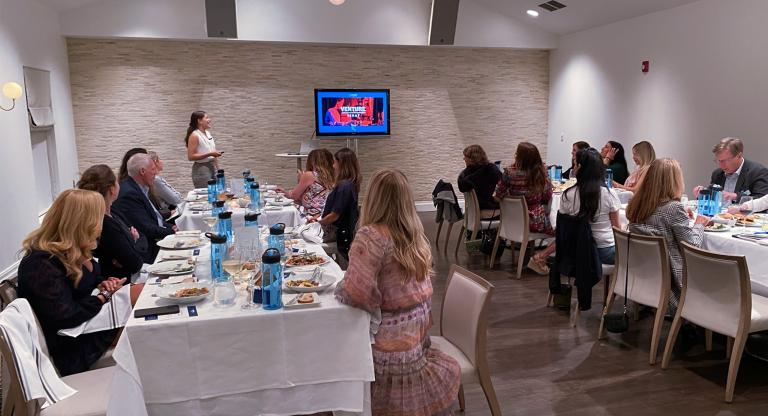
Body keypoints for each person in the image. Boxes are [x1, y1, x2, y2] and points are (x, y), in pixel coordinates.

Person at [334, 169, 460, 415]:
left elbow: (357, 294)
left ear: (373, 199)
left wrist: (340, 286)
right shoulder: (414, 233)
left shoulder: (371, 236)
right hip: (417, 338)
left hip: (390, 348)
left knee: (330, 349)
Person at [17, 189, 133, 376]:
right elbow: (66, 315)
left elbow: (88, 282)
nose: (101, 224)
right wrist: (103, 297)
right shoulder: (41, 264)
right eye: (97, 218)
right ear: (82, 222)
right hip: (71, 347)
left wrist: (103, 284)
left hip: (85, 327)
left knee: (141, 309)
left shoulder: (72, 251)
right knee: (143, 326)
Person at [627, 158, 709, 311]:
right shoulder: (673, 209)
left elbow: (660, 216)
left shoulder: (637, 204)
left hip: (645, 275)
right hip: (674, 282)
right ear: (675, 180)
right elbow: (692, 246)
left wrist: (680, 212)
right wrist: (699, 223)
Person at [494, 142, 554, 273]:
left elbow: (497, 195)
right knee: (563, 230)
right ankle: (542, 257)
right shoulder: (541, 172)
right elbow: (547, 196)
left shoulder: (509, 173)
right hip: (535, 220)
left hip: (512, 220)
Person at [77, 164, 148, 276]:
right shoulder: (105, 223)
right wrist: (135, 242)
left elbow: (140, 236)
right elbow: (135, 263)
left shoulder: (113, 211)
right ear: (112, 189)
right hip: (120, 281)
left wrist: (133, 245)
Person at [558, 148, 621, 264]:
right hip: (604, 250)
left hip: (575, 250)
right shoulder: (609, 194)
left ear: (579, 168)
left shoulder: (567, 195)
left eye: (575, 164)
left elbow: (563, 228)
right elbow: (617, 229)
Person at [112, 153, 176, 262]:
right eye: (153, 169)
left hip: (156, 238)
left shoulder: (139, 188)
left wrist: (173, 228)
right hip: (148, 249)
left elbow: (155, 220)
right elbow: (146, 228)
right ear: (142, 171)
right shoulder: (129, 193)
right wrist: (174, 231)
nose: (156, 173)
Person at [311, 148, 361, 260]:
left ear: (342, 164)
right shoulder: (351, 184)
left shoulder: (344, 187)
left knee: (304, 236)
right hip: (343, 230)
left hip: (337, 233)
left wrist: (319, 222)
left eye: (335, 162)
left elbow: (334, 215)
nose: (333, 166)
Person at [694, 137, 768, 203]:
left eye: (724, 161)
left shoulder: (758, 172)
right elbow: (712, 201)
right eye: (718, 161)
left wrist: (736, 197)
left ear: (739, 156)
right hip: (720, 217)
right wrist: (703, 194)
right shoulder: (717, 174)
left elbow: (763, 201)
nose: (721, 165)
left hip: (745, 217)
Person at [277, 148, 334, 216]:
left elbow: (293, 196)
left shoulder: (310, 175)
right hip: (327, 214)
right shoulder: (334, 175)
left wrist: (283, 191)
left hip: (311, 214)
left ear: (312, 161)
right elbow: (307, 199)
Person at [457, 144, 502, 217]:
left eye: (465, 157)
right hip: (486, 209)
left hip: (473, 210)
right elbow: (503, 183)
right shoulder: (491, 170)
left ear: (472, 159)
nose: (464, 159)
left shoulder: (464, 175)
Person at [185, 111, 223, 188]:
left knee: (220, 192)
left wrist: (219, 170)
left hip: (213, 166)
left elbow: (213, 152)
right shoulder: (194, 135)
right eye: (206, 118)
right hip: (201, 170)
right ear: (199, 121)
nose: (209, 120)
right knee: (207, 195)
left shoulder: (208, 133)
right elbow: (191, 156)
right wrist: (210, 154)